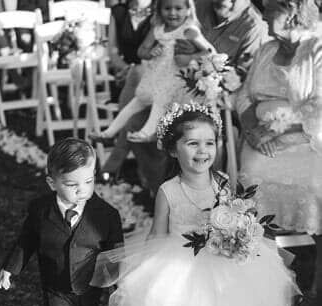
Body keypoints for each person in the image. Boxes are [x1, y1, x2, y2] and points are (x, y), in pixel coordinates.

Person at [92, 102, 298, 306]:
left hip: (222, 261)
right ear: (174, 150)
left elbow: (236, 215)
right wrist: (146, 269)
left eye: (209, 143)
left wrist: (238, 236)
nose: (202, 151)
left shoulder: (223, 183)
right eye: (192, 143)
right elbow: (158, 234)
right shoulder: (168, 190)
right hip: (180, 262)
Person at [0, 138, 123, 306]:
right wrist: (10, 268)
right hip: (55, 286)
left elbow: (115, 251)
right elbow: (27, 239)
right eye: (72, 184)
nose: (82, 190)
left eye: (88, 181)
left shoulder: (106, 215)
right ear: (52, 182)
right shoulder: (40, 210)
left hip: (90, 285)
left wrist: (117, 282)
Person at [124, 0, 269, 196]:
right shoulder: (195, 7)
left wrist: (198, 62)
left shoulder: (254, 26)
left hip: (218, 98)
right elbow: (163, 39)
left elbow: (242, 77)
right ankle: (160, 191)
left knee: (200, 133)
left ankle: (208, 195)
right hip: (174, 87)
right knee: (136, 122)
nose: (225, 1)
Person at [237, 0, 322, 289]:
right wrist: (251, 129)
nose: (263, 15)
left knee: (310, 184)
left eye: (269, 9)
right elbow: (244, 96)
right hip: (258, 140)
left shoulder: (317, 48)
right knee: (253, 177)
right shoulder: (266, 49)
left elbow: (319, 104)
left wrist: (276, 130)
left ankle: (307, 268)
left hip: (304, 140)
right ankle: (262, 267)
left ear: (291, 11)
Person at [94, 0, 215, 144]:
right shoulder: (158, 28)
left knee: (160, 100)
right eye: (167, 8)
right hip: (155, 75)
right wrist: (151, 52)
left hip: (175, 79)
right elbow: (141, 51)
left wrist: (189, 57)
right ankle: (108, 132)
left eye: (178, 8)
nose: (172, 13)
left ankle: (147, 132)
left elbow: (210, 52)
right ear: (159, 10)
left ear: (188, 10)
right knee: (137, 101)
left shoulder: (189, 30)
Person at [100, 0, 154, 175]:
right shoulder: (119, 12)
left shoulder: (162, 9)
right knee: (136, 76)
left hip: (156, 80)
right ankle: (147, 175)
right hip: (125, 77)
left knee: (136, 112)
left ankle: (115, 160)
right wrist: (126, 69)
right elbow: (113, 52)